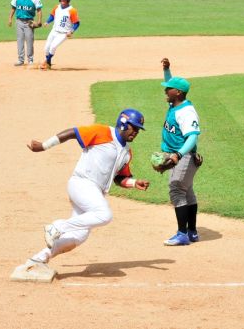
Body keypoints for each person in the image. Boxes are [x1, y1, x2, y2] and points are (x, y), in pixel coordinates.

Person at [13, 109, 151, 279]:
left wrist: (134, 183)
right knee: (104, 215)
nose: (136, 132)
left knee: (78, 236)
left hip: (93, 193)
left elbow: (120, 178)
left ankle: (38, 259)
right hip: (82, 183)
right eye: (134, 128)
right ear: (123, 123)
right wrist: (43, 146)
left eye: (138, 129)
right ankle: (57, 227)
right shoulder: (103, 132)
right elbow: (73, 132)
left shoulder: (127, 153)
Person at [159, 58, 202, 246]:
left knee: (177, 190)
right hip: (178, 155)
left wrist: (177, 155)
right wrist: (167, 70)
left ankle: (182, 234)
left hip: (183, 155)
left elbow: (192, 137)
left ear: (178, 92)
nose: (165, 90)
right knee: (188, 192)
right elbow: (171, 83)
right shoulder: (175, 104)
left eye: (168, 88)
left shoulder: (186, 112)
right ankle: (192, 232)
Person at [40, 0, 79, 70]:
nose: (63, 0)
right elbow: (52, 15)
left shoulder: (72, 10)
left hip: (64, 34)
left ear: (68, 0)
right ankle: (49, 64)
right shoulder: (57, 7)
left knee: (53, 47)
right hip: (54, 31)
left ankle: (45, 62)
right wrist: (47, 21)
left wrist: (71, 31)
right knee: (46, 48)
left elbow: (77, 23)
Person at [8, 0, 42, 66]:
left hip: (29, 22)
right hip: (19, 21)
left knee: (29, 41)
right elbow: (13, 8)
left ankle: (30, 60)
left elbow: (39, 10)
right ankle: (20, 60)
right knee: (20, 41)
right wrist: (10, 18)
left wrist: (39, 21)